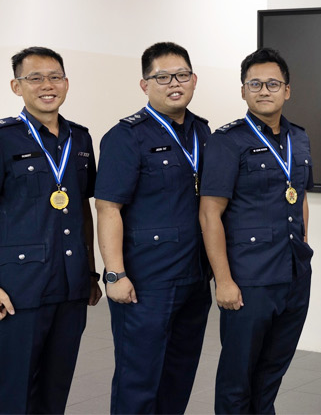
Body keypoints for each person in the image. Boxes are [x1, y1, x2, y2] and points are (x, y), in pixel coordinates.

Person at [0, 46, 100, 414]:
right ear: (16, 86)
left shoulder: (80, 139)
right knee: (16, 391)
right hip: (19, 287)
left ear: (66, 83)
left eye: (55, 76)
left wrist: (89, 272)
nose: (48, 85)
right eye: (35, 78)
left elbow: (82, 210)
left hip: (70, 285)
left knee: (54, 390)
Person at [95, 42, 211, 414]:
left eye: (181, 75)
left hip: (193, 278)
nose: (173, 83)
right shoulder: (126, 137)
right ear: (145, 85)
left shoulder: (203, 132)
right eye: (162, 77)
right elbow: (108, 208)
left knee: (179, 375)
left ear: (193, 80)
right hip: (146, 281)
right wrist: (114, 274)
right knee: (138, 379)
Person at [201, 49, 312, 414]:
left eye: (273, 84)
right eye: (255, 84)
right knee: (238, 378)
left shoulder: (299, 137)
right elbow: (209, 214)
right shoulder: (227, 141)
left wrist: (304, 247)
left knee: (271, 374)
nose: (265, 90)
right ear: (244, 91)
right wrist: (224, 281)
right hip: (249, 279)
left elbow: (300, 197)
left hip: (294, 274)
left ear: (287, 90)